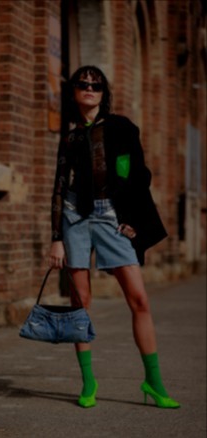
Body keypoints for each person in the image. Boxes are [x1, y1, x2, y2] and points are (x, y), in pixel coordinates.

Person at [49, 65, 179, 409]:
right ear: (74, 92)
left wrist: (133, 218)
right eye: (83, 84)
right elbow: (60, 188)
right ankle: (88, 382)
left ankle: (153, 382)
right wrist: (56, 236)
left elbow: (137, 174)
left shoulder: (121, 127)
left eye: (96, 85)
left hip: (111, 216)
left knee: (139, 299)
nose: (89, 89)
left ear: (104, 93)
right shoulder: (71, 137)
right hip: (74, 217)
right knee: (81, 305)